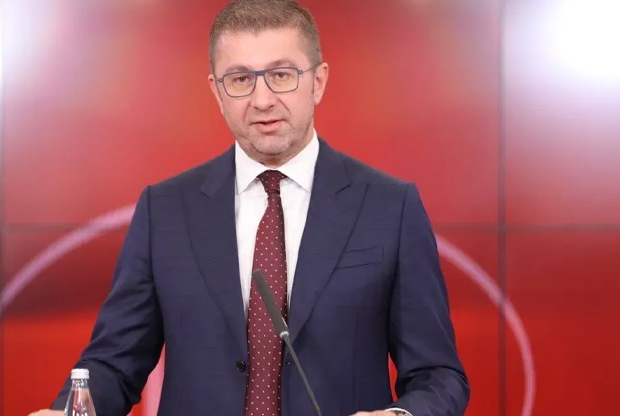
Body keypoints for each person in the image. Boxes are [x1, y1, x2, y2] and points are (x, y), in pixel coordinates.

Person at [29, 1, 469, 415]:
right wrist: (69, 410)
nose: (262, 100)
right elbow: (113, 362)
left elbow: (438, 375)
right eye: (240, 79)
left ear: (318, 81)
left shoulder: (390, 207)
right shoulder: (164, 211)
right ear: (216, 92)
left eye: (281, 75)